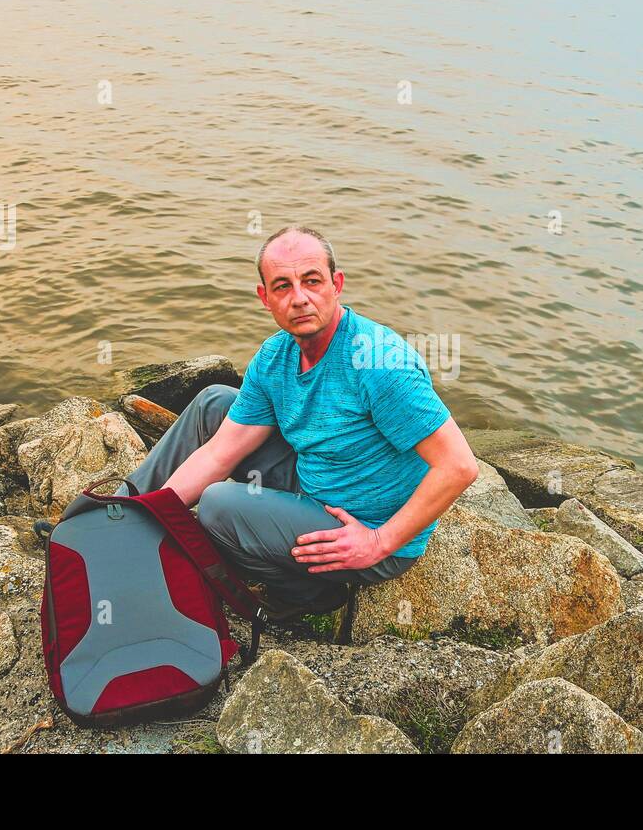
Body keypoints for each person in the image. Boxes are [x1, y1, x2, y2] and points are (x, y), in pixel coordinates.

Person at [122, 224, 479, 620]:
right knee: (215, 403)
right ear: (265, 298)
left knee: (218, 506)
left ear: (336, 284)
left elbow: (459, 466)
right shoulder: (276, 356)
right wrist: (158, 514)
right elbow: (220, 453)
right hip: (316, 480)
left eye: (312, 281)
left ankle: (305, 594)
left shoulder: (379, 362)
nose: (300, 298)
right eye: (282, 286)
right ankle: (123, 515)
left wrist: (379, 541)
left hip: (363, 527)